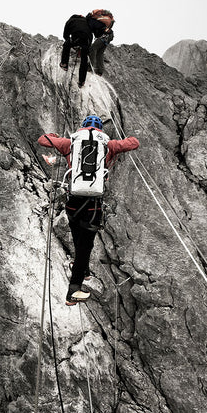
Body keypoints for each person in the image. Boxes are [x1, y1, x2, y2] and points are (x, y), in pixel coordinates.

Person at [38, 115, 140, 304]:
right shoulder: (108, 145)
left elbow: (43, 140)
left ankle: (82, 270)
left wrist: (55, 135)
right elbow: (134, 143)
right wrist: (118, 141)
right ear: (100, 129)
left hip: (73, 202)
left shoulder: (70, 143)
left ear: (82, 128)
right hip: (93, 205)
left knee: (79, 239)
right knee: (85, 246)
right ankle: (73, 290)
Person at [60, 12, 108, 87]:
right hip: (87, 39)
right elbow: (91, 35)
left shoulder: (71, 20)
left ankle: (64, 64)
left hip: (76, 36)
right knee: (84, 59)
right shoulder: (87, 22)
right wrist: (84, 49)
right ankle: (81, 81)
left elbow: (65, 35)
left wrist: (72, 43)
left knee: (66, 45)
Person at [88, 9, 115, 76]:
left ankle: (90, 66)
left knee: (93, 48)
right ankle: (100, 70)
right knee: (100, 53)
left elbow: (97, 21)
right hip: (108, 36)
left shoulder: (104, 19)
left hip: (104, 36)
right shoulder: (104, 20)